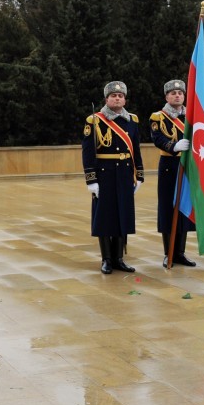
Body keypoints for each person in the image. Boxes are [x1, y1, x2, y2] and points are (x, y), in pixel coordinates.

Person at [82, 81, 144, 274]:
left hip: (125, 174)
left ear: (125, 99)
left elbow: (136, 149)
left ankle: (119, 258)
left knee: (122, 215)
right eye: (113, 96)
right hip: (105, 174)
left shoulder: (132, 120)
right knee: (104, 216)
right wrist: (91, 179)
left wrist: (139, 174)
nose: (117, 98)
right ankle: (106, 259)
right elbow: (87, 152)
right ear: (106, 99)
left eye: (121, 96)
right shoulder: (95, 120)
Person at [149, 80, 195, 268]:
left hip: (187, 165)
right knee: (168, 208)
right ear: (166, 96)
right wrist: (173, 146)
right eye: (173, 93)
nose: (177, 95)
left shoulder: (190, 117)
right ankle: (169, 253)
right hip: (169, 164)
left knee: (183, 208)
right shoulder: (158, 117)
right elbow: (157, 138)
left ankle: (180, 253)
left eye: (180, 93)